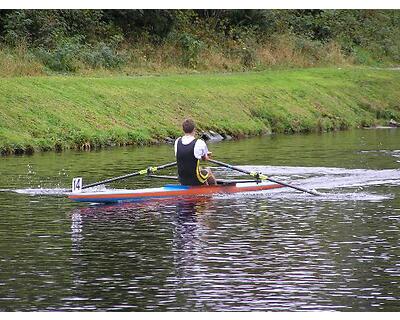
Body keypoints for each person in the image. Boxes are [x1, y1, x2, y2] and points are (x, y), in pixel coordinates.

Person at [175, 119, 217, 186]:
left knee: (199, 169)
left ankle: (203, 187)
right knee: (208, 170)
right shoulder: (199, 142)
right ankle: (214, 190)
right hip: (195, 179)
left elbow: (184, 155)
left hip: (181, 179)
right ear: (194, 129)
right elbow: (205, 159)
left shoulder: (177, 141)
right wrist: (207, 156)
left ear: (183, 130)